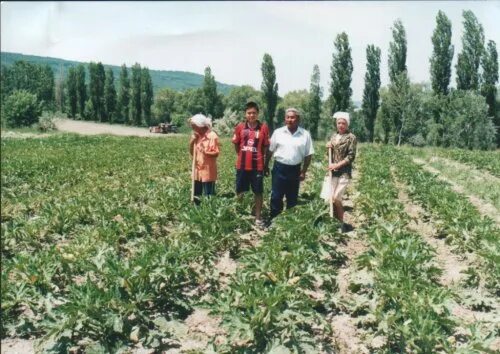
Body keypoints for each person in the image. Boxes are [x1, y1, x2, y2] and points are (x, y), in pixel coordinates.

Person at [265, 108, 314, 219]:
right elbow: (270, 150)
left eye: (292, 117)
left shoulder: (305, 134)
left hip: (295, 170)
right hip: (279, 168)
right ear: (285, 119)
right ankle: (274, 219)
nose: (290, 119)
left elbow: (308, 154)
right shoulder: (278, 132)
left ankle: (289, 222)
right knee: (276, 196)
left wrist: (304, 171)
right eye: (288, 117)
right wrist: (266, 165)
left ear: (298, 119)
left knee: (292, 197)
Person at [232, 101, 270, 228]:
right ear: (245, 114)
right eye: (249, 113)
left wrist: (263, 162)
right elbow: (237, 144)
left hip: (257, 166)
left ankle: (258, 217)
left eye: (254, 113)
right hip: (242, 165)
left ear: (258, 114)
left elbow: (265, 147)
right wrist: (242, 155)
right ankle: (238, 215)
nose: (251, 115)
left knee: (258, 192)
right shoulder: (240, 127)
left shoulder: (263, 127)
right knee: (240, 191)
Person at [324, 111, 357, 233]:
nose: (341, 125)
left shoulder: (351, 137)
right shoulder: (333, 136)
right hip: (332, 172)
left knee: (337, 197)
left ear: (347, 124)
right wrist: (328, 148)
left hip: (343, 172)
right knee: (330, 198)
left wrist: (337, 165)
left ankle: (341, 223)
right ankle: (332, 223)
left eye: (343, 123)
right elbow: (328, 155)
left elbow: (351, 156)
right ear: (336, 124)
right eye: (339, 123)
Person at [189, 114, 220, 204]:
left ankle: (208, 214)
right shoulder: (196, 136)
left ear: (200, 125)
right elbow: (192, 153)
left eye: (194, 126)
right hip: (197, 170)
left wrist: (205, 152)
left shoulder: (212, 136)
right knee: (196, 194)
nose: (192, 128)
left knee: (208, 195)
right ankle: (196, 211)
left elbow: (216, 153)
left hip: (208, 170)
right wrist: (191, 142)